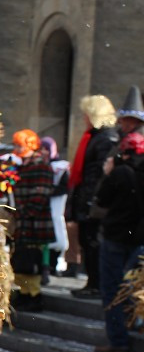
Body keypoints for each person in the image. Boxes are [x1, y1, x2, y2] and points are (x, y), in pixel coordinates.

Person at [90, 131, 144, 352]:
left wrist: (108, 173)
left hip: (116, 237)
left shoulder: (120, 172)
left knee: (112, 289)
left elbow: (102, 199)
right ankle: (134, 326)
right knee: (135, 288)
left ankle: (118, 340)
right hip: (139, 238)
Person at [67, 95, 119, 297]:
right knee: (87, 241)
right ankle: (92, 282)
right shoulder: (95, 137)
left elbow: (98, 175)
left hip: (93, 202)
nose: (84, 118)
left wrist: (90, 202)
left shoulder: (105, 138)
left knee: (92, 243)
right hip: (87, 199)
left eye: (86, 114)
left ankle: (95, 284)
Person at [10, 129, 54, 311]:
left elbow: (41, 194)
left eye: (19, 145)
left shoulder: (40, 164)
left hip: (34, 222)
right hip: (24, 220)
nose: (16, 148)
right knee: (21, 260)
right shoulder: (23, 164)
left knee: (31, 262)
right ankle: (25, 293)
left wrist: (23, 212)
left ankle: (34, 296)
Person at [41, 136, 69, 282]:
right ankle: (45, 267)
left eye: (46, 149)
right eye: (42, 149)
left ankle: (54, 264)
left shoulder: (61, 166)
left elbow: (66, 186)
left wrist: (50, 191)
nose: (44, 152)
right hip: (43, 207)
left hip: (56, 206)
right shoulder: (39, 164)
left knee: (57, 234)